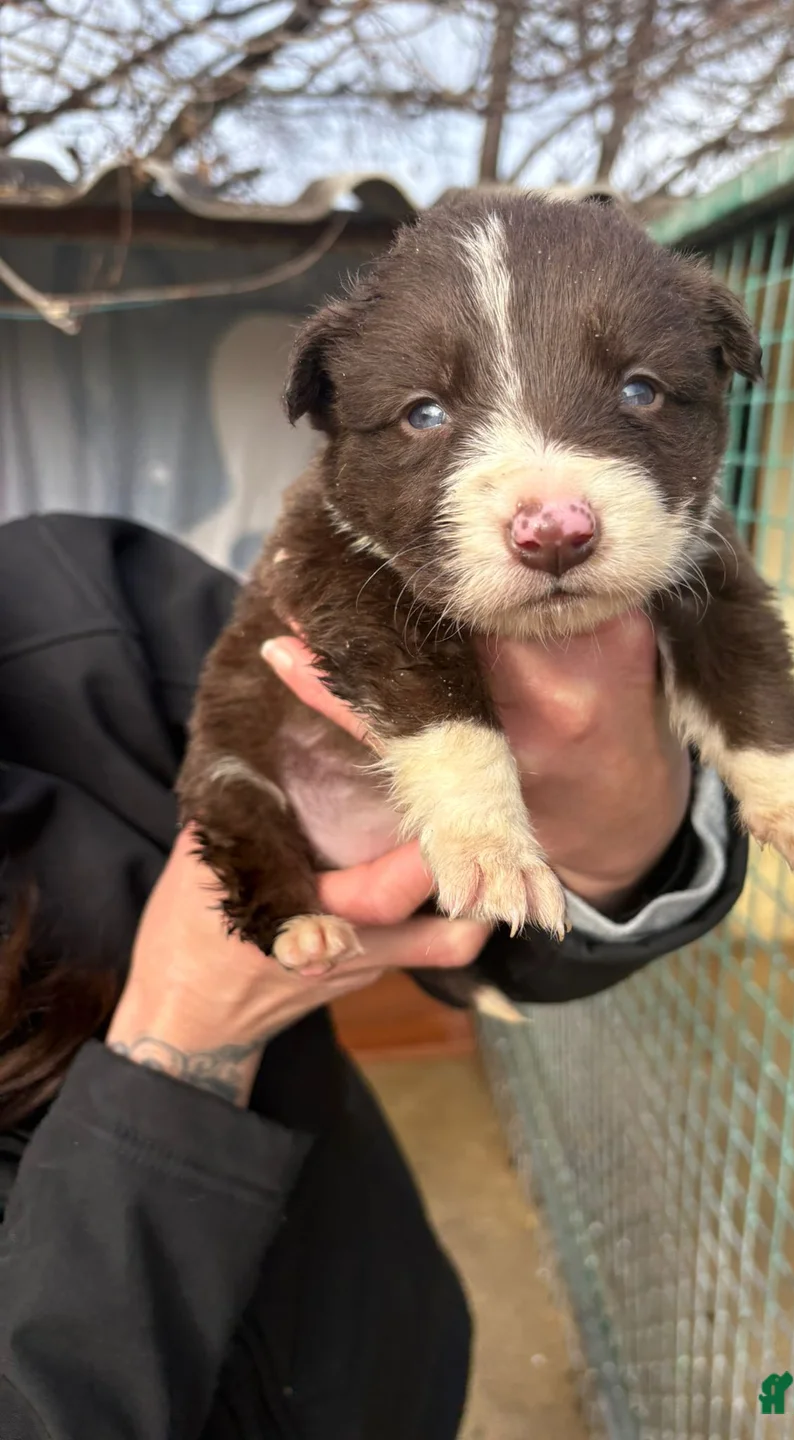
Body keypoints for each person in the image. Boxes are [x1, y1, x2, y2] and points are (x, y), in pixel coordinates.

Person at [0, 512, 748, 1439]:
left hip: (380, 1341)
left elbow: (496, 924)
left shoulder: (76, 599)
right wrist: (188, 1028)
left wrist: (613, 842)